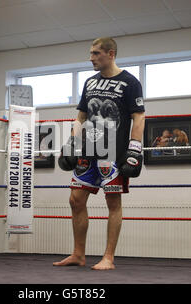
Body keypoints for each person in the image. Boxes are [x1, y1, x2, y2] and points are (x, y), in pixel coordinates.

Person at [55, 37, 145, 270]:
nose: (92, 58)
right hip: (88, 149)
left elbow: (138, 116)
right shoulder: (90, 82)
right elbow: (81, 117)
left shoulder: (130, 82)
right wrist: (73, 142)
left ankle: (108, 258)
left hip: (113, 151)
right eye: (91, 53)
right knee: (75, 200)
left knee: (112, 201)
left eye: (96, 53)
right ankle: (78, 254)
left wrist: (134, 147)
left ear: (111, 54)